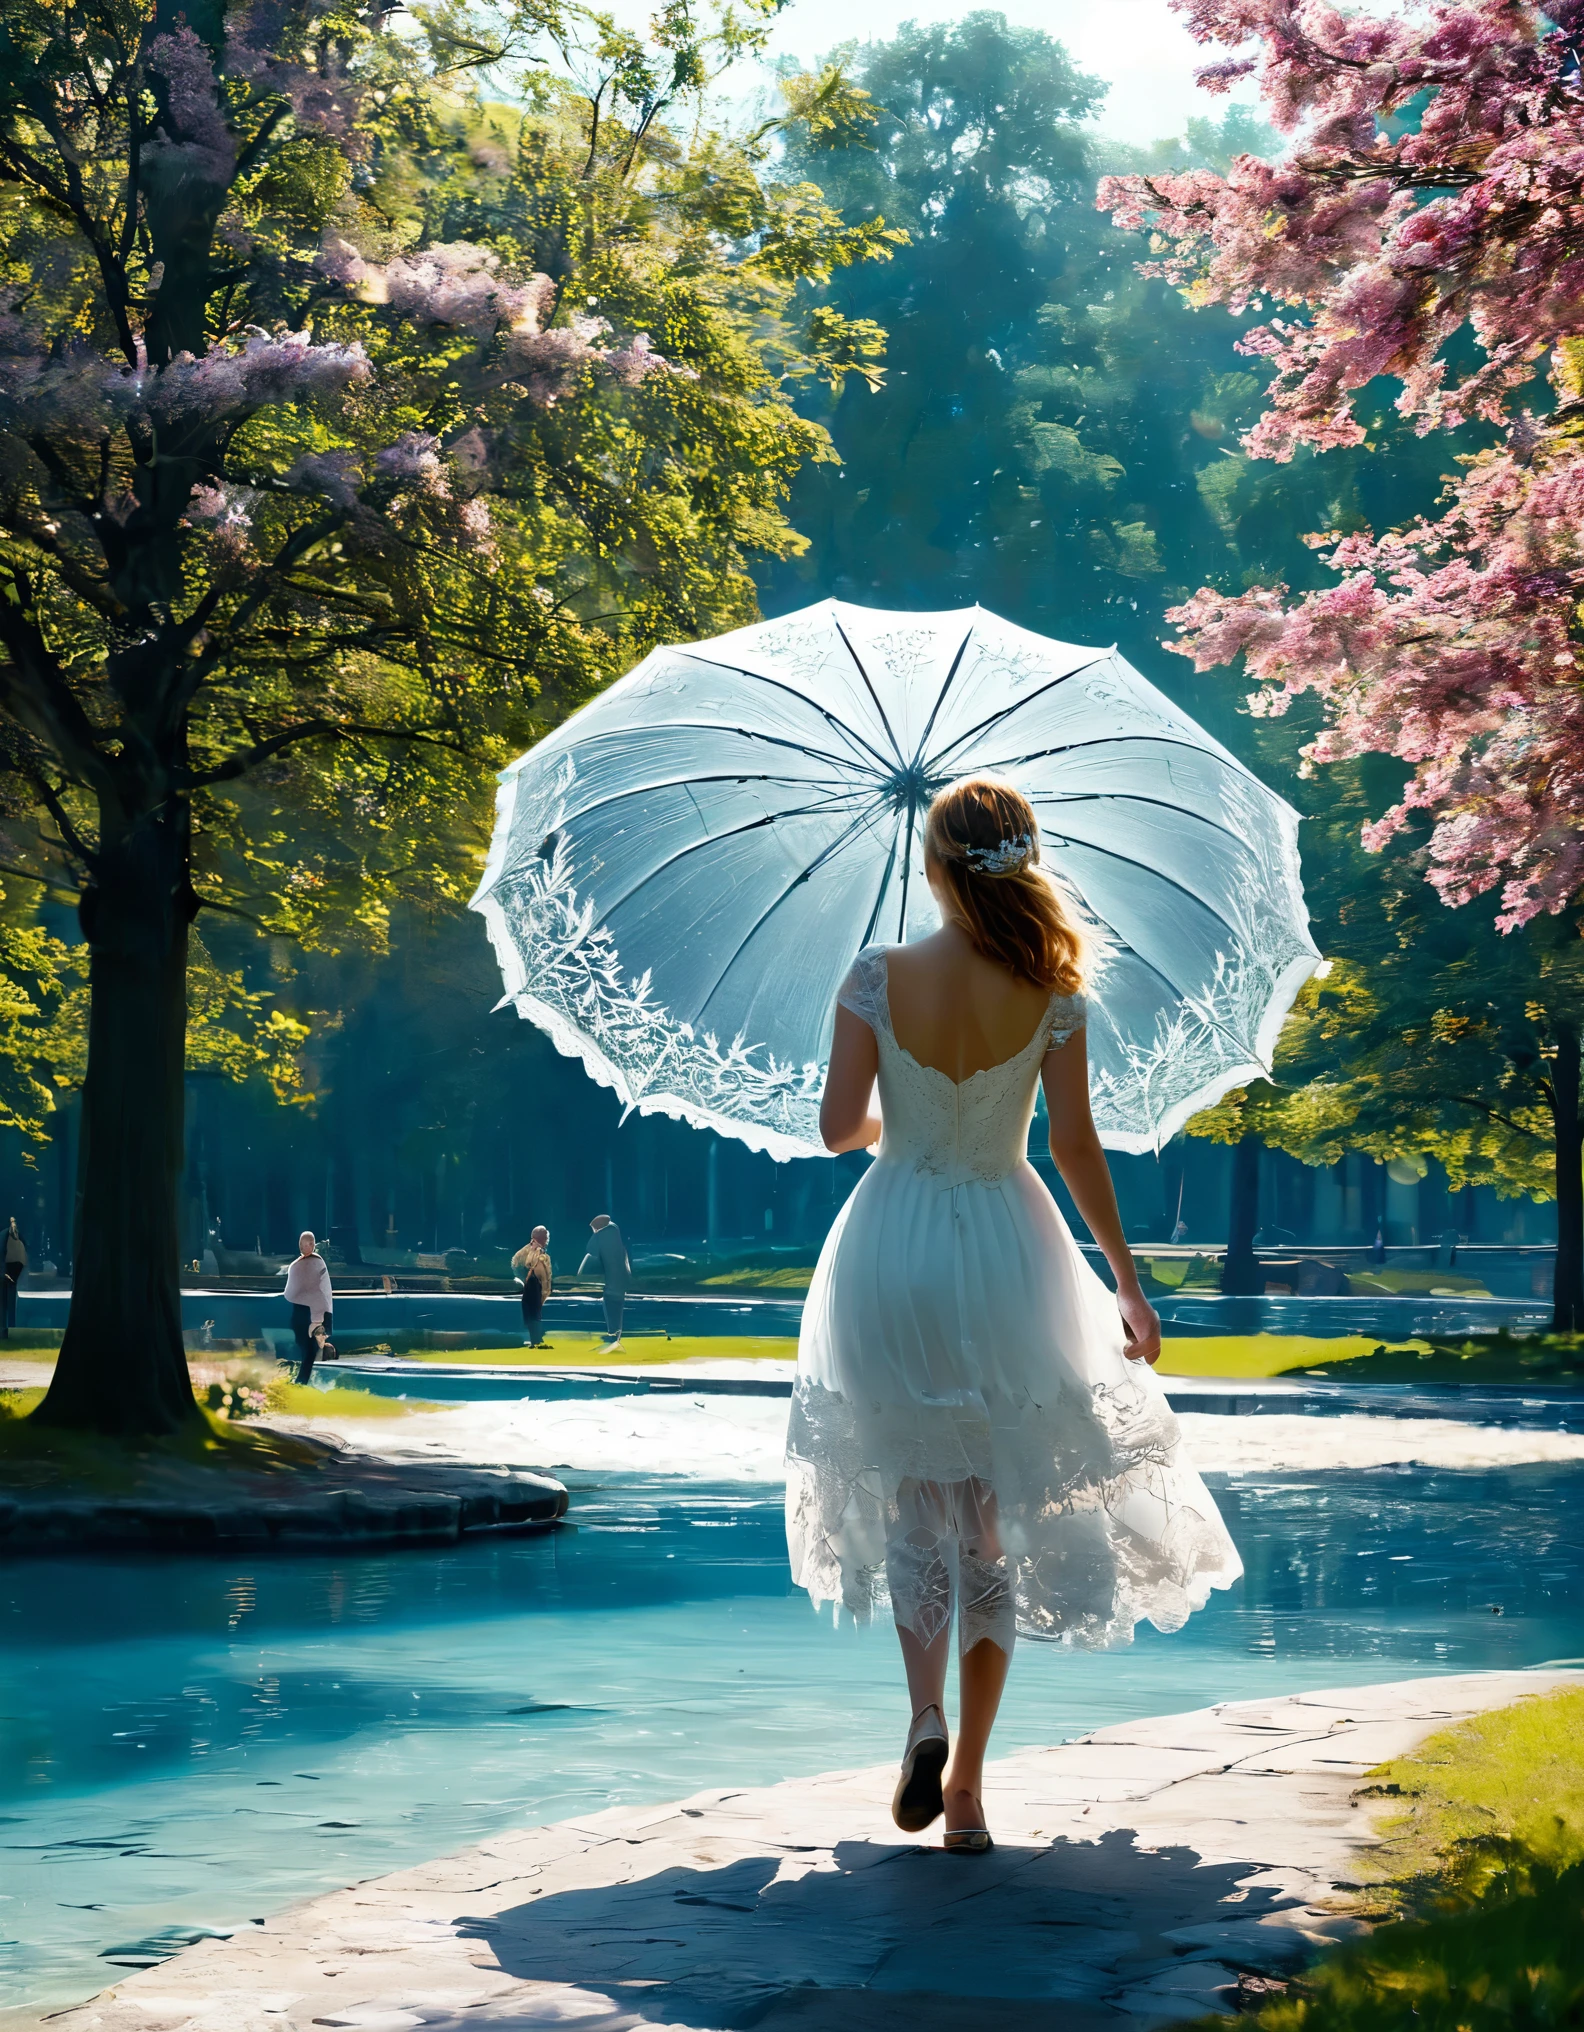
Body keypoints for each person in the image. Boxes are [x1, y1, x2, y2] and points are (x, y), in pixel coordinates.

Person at [785, 777, 1242, 1854]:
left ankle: (921, 1716)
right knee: (989, 1516)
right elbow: (1076, 1148)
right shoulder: (1053, 989)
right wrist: (1126, 1280)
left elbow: (834, 1127)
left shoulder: (874, 975)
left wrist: (895, 1116)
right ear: (1021, 861)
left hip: (890, 1243)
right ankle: (971, 1793)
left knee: (913, 1504)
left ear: (936, 864)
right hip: (1007, 1241)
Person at [283, 1231, 334, 1383]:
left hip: (317, 1316)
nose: (309, 1246)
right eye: (306, 1243)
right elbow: (289, 1294)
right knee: (306, 1349)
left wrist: (327, 1321)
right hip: (301, 1315)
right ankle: (301, 1381)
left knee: (311, 1352)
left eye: (311, 1243)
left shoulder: (319, 1263)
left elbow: (326, 1292)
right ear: (300, 1245)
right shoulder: (295, 1266)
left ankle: (303, 1381)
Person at [578, 1214, 629, 1347]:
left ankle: (612, 1334)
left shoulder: (600, 1237)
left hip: (610, 1281)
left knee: (610, 1306)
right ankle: (617, 1334)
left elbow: (590, 1250)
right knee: (618, 1308)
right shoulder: (617, 1235)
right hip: (621, 1280)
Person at [512, 1227, 553, 1347]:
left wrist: (522, 1277)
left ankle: (535, 1339)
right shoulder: (541, 1254)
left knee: (531, 1313)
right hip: (535, 1285)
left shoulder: (524, 1250)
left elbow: (515, 1263)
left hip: (528, 1284)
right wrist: (546, 1291)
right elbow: (544, 1275)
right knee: (535, 1313)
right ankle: (536, 1340)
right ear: (544, 1238)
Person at [2, 1219, 25, 1338]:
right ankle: (9, 1328)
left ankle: (8, 1328)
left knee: (6, 1302)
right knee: (8, 1301)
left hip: (10, 1269)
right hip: (12, 1269)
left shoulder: (5, 1237)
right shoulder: (10, 1239)